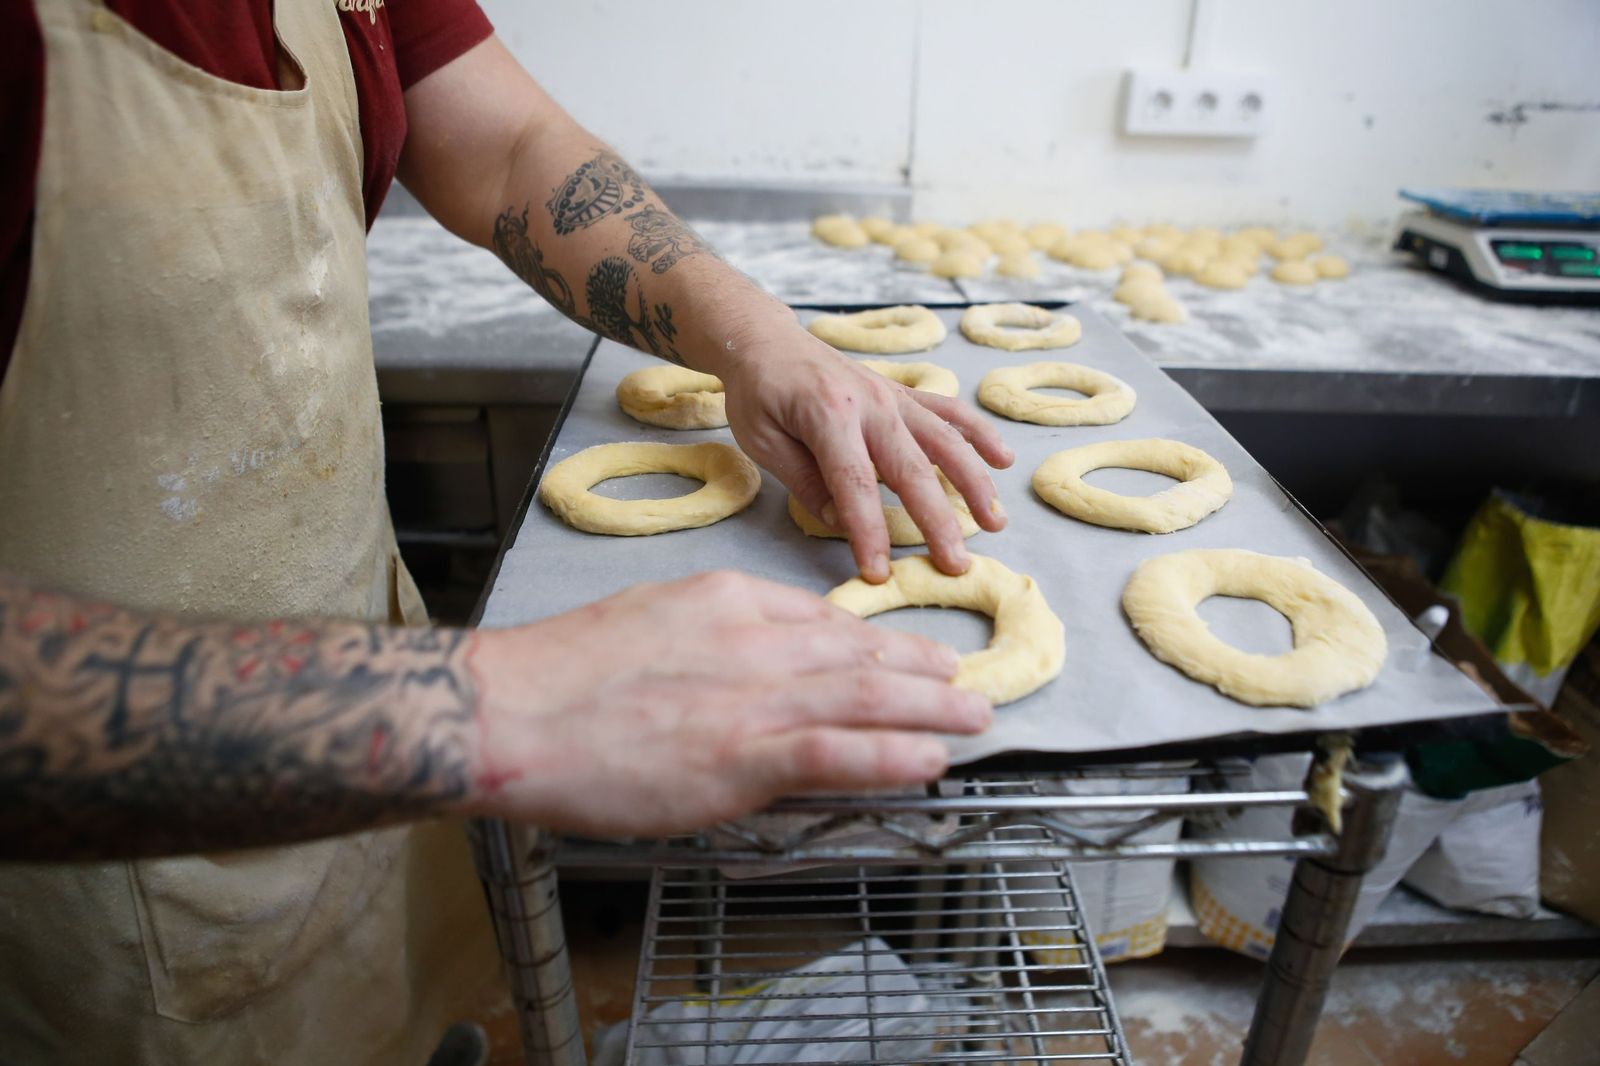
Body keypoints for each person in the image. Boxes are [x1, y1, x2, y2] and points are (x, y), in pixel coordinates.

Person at [0, 1, 1011, 1062]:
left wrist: (757, 339)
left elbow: (510, 151)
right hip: (95, 889)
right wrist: (481, 702)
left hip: (368, 704)